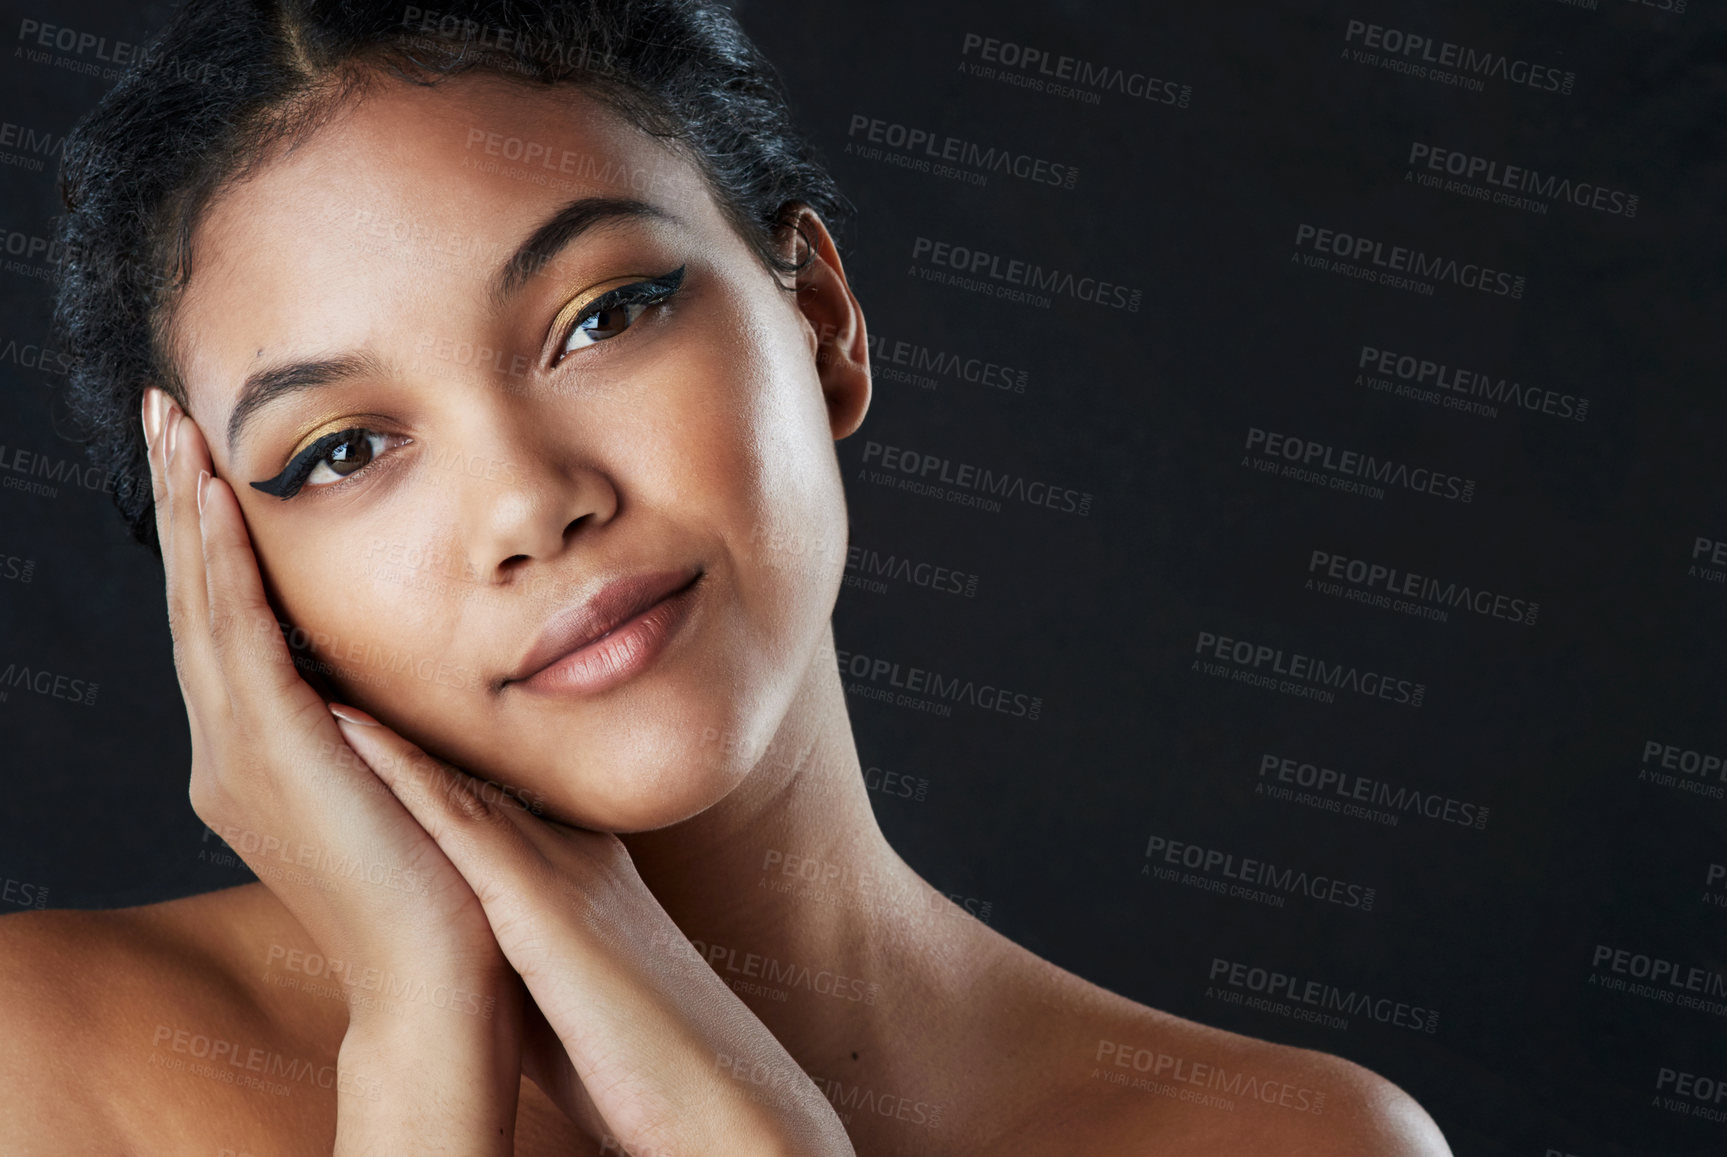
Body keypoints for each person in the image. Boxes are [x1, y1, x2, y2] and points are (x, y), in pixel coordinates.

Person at [0, 2, 1453, 1152]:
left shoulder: (1290, 1140)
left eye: (600, 317)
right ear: (231, 570)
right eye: (340, 451)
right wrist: (423, 1039)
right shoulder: (49, 1065)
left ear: (818, 317)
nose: (528, 502)